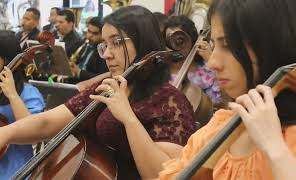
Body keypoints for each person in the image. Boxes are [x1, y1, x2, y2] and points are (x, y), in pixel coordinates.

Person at [0, 6, 196, 180]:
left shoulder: (171, 102)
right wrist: (5, 133)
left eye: (117, 42)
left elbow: (161, 175)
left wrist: (129, 119)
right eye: (105, 45)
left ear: (143, 42)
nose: (107, 54)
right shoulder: (106, 86)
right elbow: (47, 122)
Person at [159, 0, 296, 179]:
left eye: (227, 46)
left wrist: (275, 150)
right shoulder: (219, 126)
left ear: (270, 46)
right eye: (214, 44)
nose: (212, 63)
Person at [0, 30, 45, 180]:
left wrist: (12, 95)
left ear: (7, 61)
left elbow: (34, 134)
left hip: (16, 172)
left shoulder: (29, 94)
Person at [164, 15, 221, 103]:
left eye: (180, 40)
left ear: (193, 40)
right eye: (170, 40)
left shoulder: (208, 69)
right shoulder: (159, 72)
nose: (175, 46)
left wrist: (212, 61)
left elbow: (224, 102)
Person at [69, 16, 108, 83]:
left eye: (95, 33)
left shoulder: (104, 51)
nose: (89, 35)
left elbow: (103, 77)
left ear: (103, 35)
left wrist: (79, 73)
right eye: (89, 31)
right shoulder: (84, 42)